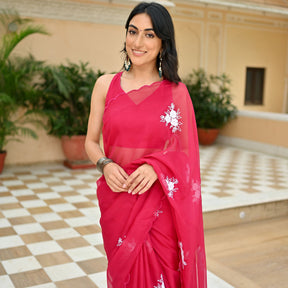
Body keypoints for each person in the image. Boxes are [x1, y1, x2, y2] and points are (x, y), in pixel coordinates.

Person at [85, 2, 207, 287]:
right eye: (133, 31)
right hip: (118, 199)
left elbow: (187, 156)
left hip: (158, 207)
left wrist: (157, 169)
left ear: (164, 42)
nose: (138, 42)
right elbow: (90, 142)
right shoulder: (105, 85)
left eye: (149, 35)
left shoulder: (176, 93)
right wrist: (104, 164)